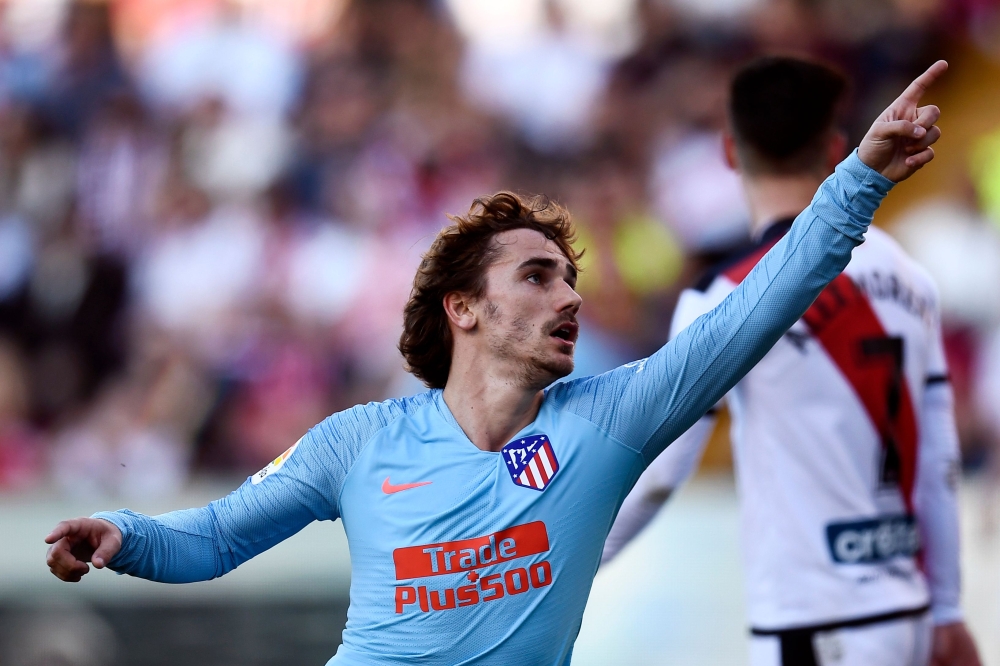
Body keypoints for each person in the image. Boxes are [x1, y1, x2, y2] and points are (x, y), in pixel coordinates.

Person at [45, 61, 948, 665]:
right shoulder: (359, 441)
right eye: (538, 276)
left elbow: (760, 305)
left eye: (571, 278)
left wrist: (860, 177)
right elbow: (213, 538)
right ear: (465, 308)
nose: (571, 298)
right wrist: (122, 536)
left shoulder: (608, 420)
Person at [602, 57, 981, 666]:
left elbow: (660, 473)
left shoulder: (721, 295)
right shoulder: (909, 274)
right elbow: (938, 456)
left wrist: (557, 569)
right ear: (836, 148)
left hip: (814, 622)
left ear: (730, 151)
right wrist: (948, 607)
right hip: (908, 613)